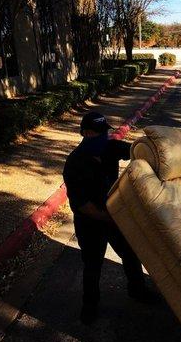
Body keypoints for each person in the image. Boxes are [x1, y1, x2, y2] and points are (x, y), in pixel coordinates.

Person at [63, 111, 155, 325]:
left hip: (114, 215)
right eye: (99, 133)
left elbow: (136, 151)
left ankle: (137, 290)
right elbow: (82, 204)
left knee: (130, 253)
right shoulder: (75, 163)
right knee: (93, 265)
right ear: (85, 133)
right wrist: (109, 218)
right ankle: (90, 306)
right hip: (91, 223)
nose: (104, 137)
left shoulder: (109, 148)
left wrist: (153, 148)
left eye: (106, 132)